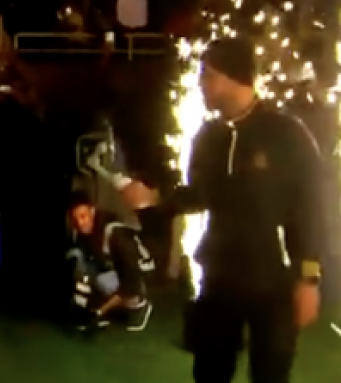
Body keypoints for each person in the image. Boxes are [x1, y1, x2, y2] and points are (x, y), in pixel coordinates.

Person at [123, 37, 324, 383]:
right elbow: (199, 194)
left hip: (273, 283)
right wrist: (154, 200)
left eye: (208, 75)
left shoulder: (287, 136)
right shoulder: (208, 137)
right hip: (219, 279)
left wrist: (309, 279)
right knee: (210, 373)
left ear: (233, 77)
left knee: (271, 375)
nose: (201, 83)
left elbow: (309, 210)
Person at [66, 192, 155, 331]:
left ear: (92, 211)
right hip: (116, 272)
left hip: (139, 275)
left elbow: (130, 281)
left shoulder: (115, 233)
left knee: (107, 283)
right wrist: (81, 307)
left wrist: (99, 312)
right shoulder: (81, 235)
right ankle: (90, 310)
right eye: (75, 219)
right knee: (77, 257)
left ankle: (140, 306)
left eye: (83, 216)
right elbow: (85, 274)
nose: (80, 223)